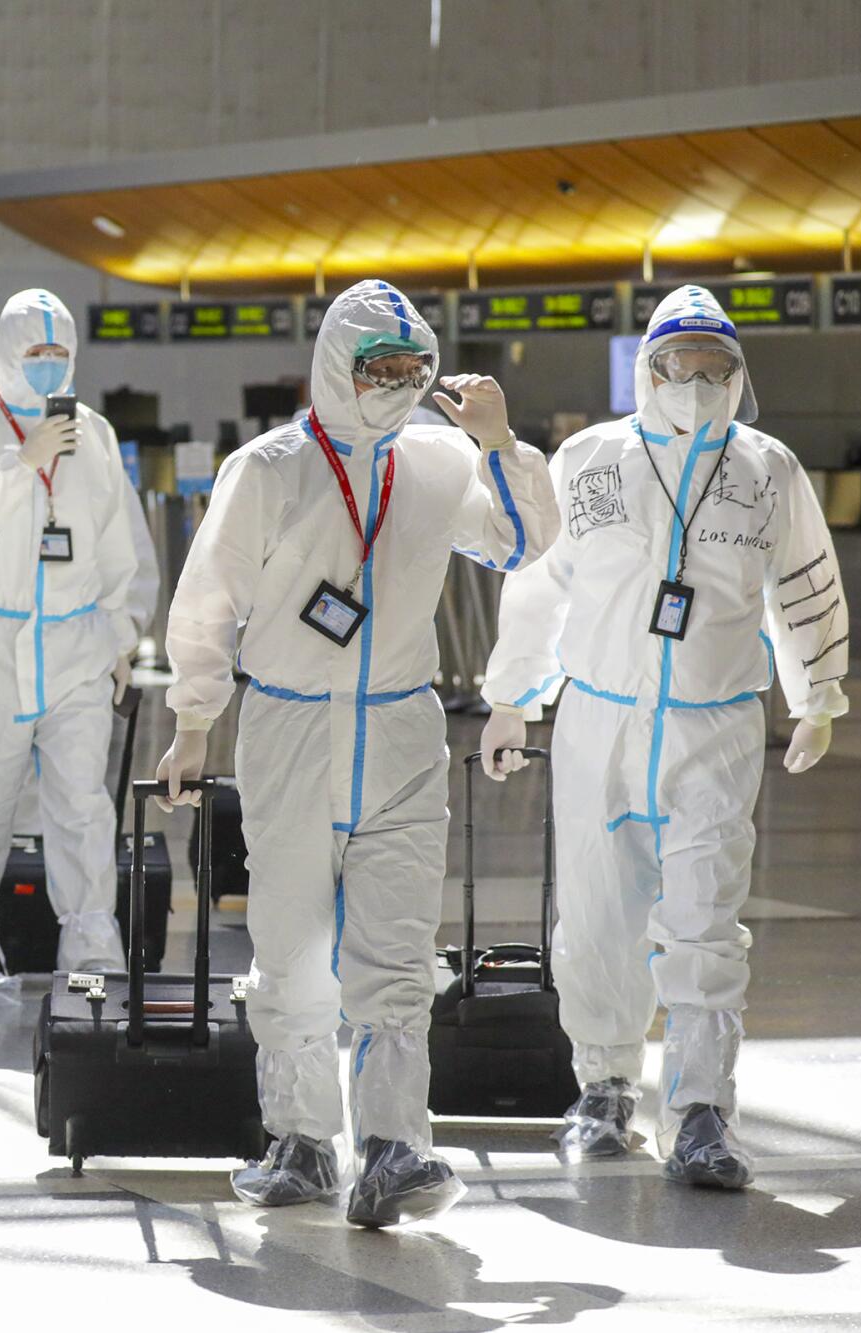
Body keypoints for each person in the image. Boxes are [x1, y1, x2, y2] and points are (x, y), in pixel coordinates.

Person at [155, 279, 559, 1228]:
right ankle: (300, 1138)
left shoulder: (439, 459)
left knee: (396, 946)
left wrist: (501, 443)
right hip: (291, 726)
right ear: (337, 366)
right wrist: (193, 719)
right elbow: (207, 599)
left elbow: (524, 543)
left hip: (401, 729)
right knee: (292, 947)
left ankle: (393, 1144)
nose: (396, 385)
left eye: (412, 369)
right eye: (377, 369)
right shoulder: (270, 468)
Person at [480, 285, 849, 1190]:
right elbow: (540, 582)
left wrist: (821, 694)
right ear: (649, 367)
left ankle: (701, 1110)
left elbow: (804, 583)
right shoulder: (590, 459)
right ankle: (604, 1090)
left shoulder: (769, 469)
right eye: (679, 363)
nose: (696, 381)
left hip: (713, 725)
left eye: (715, 365)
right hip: (599, 720)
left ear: (737, 372)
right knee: (597, 916)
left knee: (705, 920)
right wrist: (509, 696)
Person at [0, 289, 140, 1001]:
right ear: (6, 353)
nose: (46, 365)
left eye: (59, 354)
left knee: (81, 802)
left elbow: (120, 544)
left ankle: (94, 953)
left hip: (76, 646)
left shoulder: (94, 435)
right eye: (34, 353)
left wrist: (123, 636)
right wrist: (20, 462)